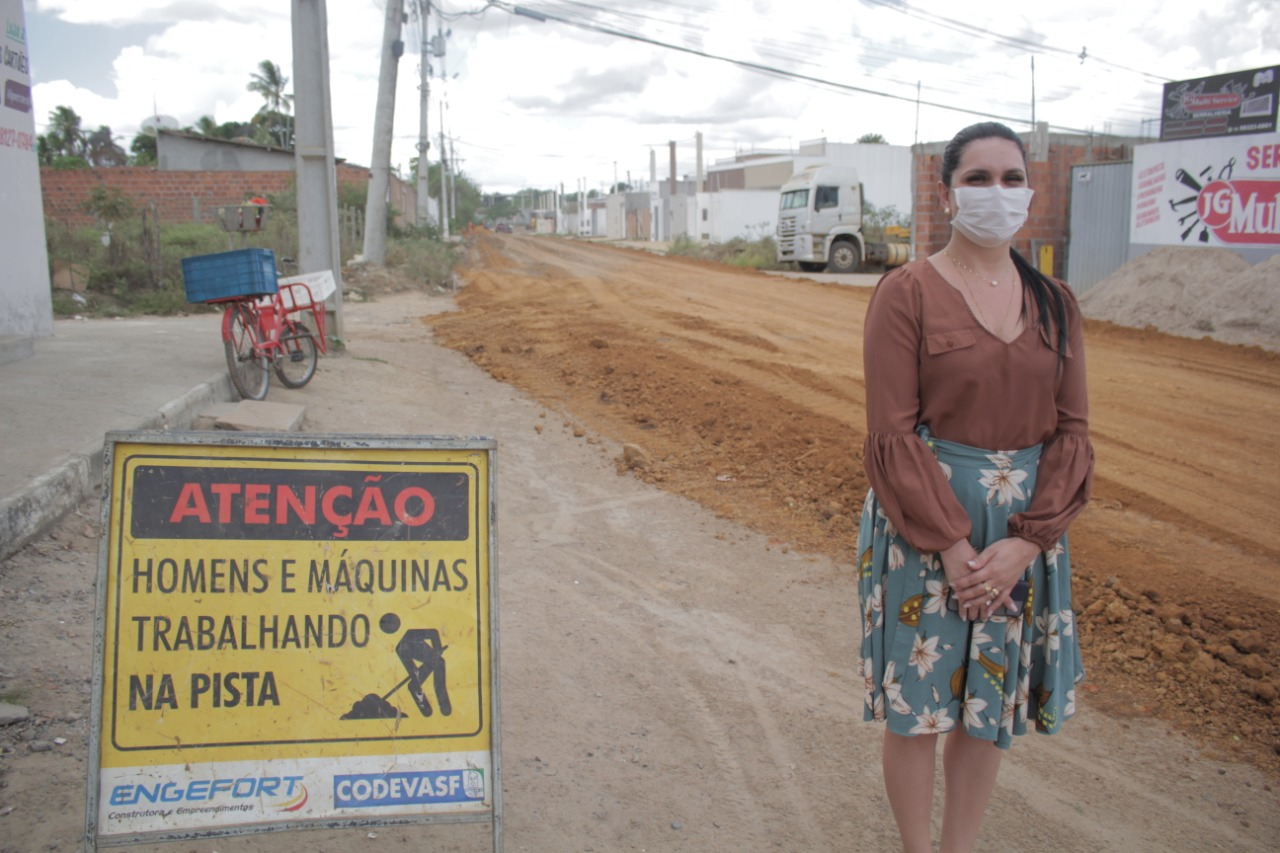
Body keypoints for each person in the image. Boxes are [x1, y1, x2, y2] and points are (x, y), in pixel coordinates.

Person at [857, 121, 1094, 853]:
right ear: (947, 193)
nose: (998, 193)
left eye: (1011, 178)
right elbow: (891, 435)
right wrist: (955, 548)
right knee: (918, 707)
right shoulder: (906, 292)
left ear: (1031, 190)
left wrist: (1027, 544)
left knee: (985, 705)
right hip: (926, 527)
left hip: (1023, 536)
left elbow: (1073, 432)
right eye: (979, 178)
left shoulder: (1055, 301)